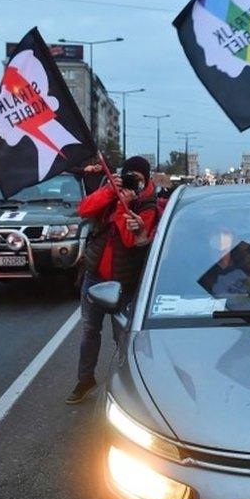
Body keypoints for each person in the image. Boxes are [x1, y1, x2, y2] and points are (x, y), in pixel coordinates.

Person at [67, 156, 159, 405]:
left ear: (146, 180)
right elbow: (84, 210)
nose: (131, 183)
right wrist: (110, 191)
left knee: (123, 336)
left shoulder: (148, 206)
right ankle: (85, 380)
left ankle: (130, 386)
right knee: (89, 330)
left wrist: (123, 206)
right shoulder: (110, 191)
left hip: (126, 283)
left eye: (137, 180)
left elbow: (131, 241)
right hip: (95, 276)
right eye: (128, 177)